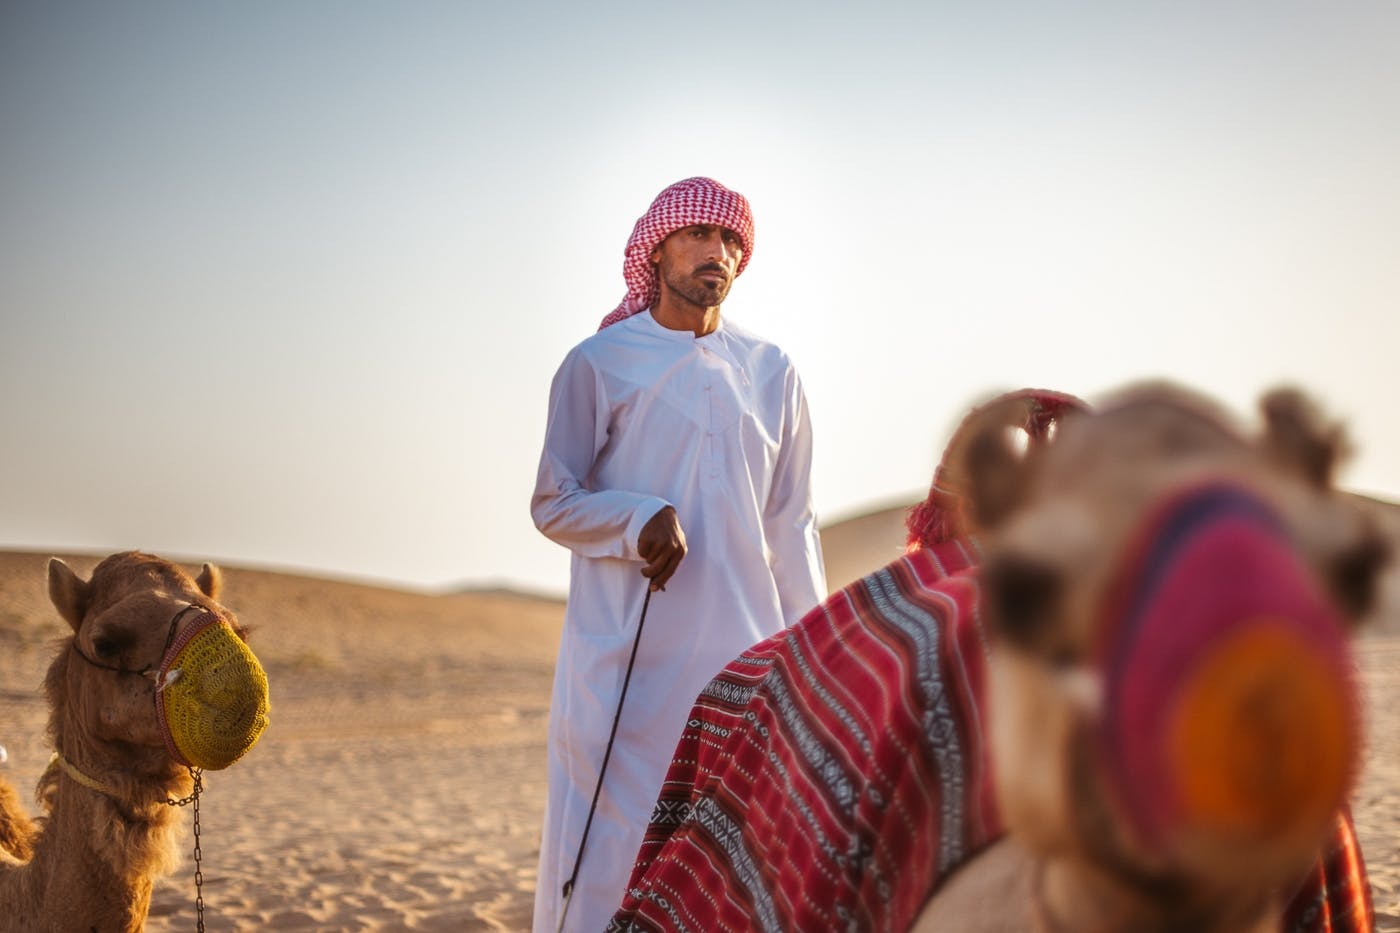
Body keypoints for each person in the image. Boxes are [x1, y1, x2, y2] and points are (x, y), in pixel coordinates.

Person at [530, 176, 826, 932]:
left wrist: (817, 650)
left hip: (744, 667)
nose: (717, 252)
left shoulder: (773, 371)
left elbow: (792, 526)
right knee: (606, 865)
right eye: (699, 235)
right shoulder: (598, 363)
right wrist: (636, 519)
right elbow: (552, 500)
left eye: (731, 240)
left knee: (735, 863)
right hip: (627, 667)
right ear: (656, 249)